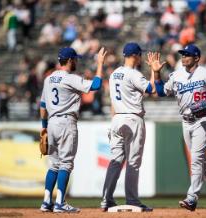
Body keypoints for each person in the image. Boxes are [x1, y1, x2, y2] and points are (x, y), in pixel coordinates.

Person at [152, 44, 206, 212]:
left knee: (196, 159)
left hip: (204, 119)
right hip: (186, 121)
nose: (184, 57)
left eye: (188, 54)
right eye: (182, 54)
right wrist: (157, 73)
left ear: (196, 58)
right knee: (199, 160)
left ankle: (192, 198)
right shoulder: (176, 75)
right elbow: (160, 92)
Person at [39, 46, 107, 213]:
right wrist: (100, 64)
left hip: (52, 122)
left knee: (54, 165)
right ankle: (60, 203)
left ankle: (46, 201)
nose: (77, 61)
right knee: (66, 164)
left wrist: (43, 127)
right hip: (66, 123)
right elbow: (96, 85)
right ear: (69, 60)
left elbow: (42, 105)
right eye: (75, 59)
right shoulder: (70, 78)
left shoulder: (49, 79)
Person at [100, 42, 156, 212]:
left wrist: (113, 121)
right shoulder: (133, 74)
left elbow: (112, 102)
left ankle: (106, 199)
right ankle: (132, 200)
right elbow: (152, 89)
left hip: (117, 118)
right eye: (140, 55)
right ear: (136, 55)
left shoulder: (114, 74)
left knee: (115, 161)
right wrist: (154, 70)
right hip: (132, 118)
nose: (140, 58)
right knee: (133, 163)